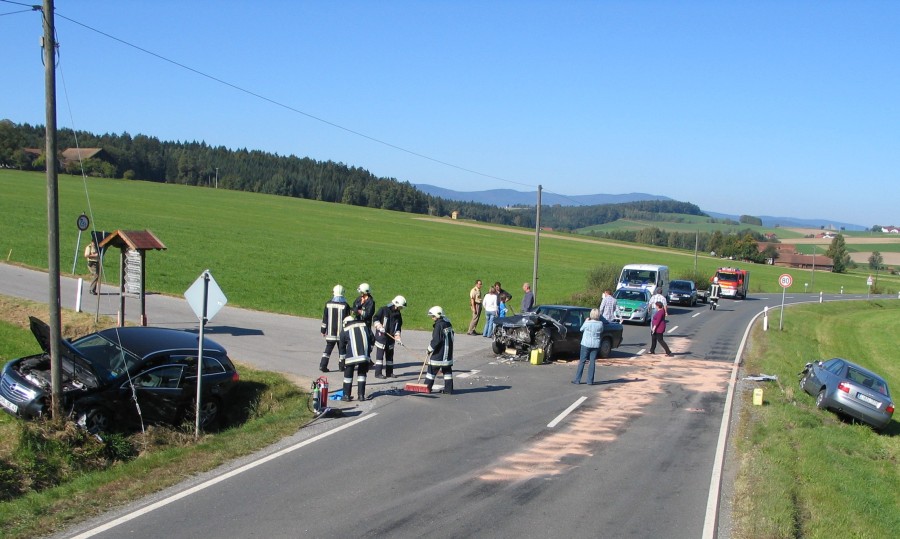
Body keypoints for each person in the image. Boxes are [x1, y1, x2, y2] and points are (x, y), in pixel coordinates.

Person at [372, 295, 406, 378]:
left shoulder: (398, 315)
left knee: (390, 357)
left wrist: (398, 337)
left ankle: (389, 372)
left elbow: (398, 327)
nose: (400, 309)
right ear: (395, 304)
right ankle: (378, 373)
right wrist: (379, 326)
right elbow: (375, 318)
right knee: (380, 357)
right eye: (400, 307)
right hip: (382, 337)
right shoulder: (383, 310)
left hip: (391, 339)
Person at [339, 315, 371, 401]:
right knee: (362, 375)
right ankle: (361, 396)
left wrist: (341, 360)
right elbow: (372, 339)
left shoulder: (345, 329)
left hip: (351, 356)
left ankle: (346, 396)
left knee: (348, 376)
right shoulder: (364, 325)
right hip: (364, 356)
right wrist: (368, 352)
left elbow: (341, 347)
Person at [319, 285, 350, 372]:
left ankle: (323, 365)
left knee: (328, 350)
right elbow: (347, 320)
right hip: (341, 333)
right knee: (342, 350)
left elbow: (325, 318)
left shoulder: (328, 304)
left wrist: (323, 330)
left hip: (330, 333)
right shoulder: (345, 305)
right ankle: (341, 366)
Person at [425, 306, 455, 394]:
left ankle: (427, 388)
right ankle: (448, 389)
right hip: (448, 353)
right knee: (447, 370)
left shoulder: (439, 325)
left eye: (433, 316)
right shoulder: (448, 323)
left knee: (431, 370)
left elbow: (436, 340)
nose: (432, 318)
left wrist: (429, 349)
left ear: (438, 315)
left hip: (440, 353)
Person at [573, 308, 604, 384]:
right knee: (592, 361)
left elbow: (581, 329)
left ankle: (577, 379)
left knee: (582, 361)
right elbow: (601, 331)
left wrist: (586, 321)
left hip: (586, 343)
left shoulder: (588, 323)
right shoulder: (600, 324)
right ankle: (590, 380)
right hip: (595, 344)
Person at [352, 282, 375, 348]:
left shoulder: (371, 302)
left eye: (362, 292)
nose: (361, 294)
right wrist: (355, 310)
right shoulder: (359, 299)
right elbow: (354, 306)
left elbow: (369, 314)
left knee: (365, 342)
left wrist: (359, 311)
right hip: (357, 322)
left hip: (365, 324)